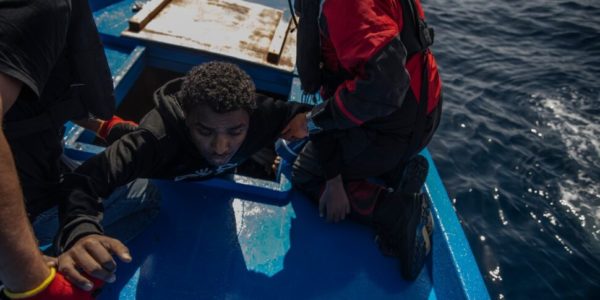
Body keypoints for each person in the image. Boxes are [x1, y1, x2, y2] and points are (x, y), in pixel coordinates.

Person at [55, 61, 311, 289]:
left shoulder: (265, 115)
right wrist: (81, 232)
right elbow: (83, 181)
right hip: (165, 196)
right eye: (204, 131)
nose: (221, 148)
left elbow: (309, 115)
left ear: (250, 118)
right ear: (186, 118)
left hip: (219, 194)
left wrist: (324, 162)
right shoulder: (154, 141)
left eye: (235, 132)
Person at [0, 1, 155, 298]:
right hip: (28, 197)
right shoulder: (39, 6)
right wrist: (35, 284)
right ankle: (66, 262)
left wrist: (104, 126)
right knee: (144, 193)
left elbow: (36, 87)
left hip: (39, 161)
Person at [290, 0, 443, 280]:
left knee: (307, 172)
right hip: (421, 114)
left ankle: (398, 213)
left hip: (393, 127)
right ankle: (394, 171)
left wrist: (315, 125)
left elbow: (385, 85)